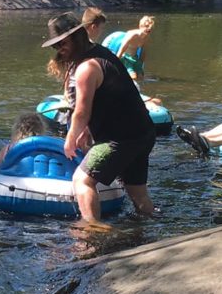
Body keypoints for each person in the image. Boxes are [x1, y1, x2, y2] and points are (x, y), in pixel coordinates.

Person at [43, 12, 158, 224]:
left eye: (62, 43)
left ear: (77, 36)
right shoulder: (102, 54)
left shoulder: (87, 67)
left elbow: (82, 111)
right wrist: (87, 130)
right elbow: (108, 98)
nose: (59, 49)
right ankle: (151, 227)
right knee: (137, 192)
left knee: (82, 181)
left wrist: (70, 138)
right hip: (143, 133)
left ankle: (92, 231)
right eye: (55, 46)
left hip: (120, 139)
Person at [102, 15, 156, 81]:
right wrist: (115, 62)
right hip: (126, 59)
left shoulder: (146, 37)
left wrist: (140, 66)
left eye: (149, 31)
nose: (148, 31)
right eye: (146, 29)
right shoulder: (132, 35)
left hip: (135, 59)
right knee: (133, 77)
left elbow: (143, 52)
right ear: (140, 26)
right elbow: (122, 48)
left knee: (140, 77)